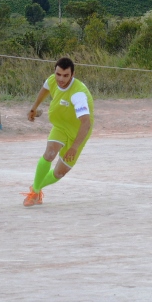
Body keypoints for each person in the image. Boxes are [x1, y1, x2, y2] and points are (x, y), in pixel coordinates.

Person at [21, 57, 93, 207]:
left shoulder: (78, 94)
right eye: (58, 74)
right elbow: (45, 89)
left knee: (59, 173)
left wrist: (74, 147)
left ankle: (37, 189)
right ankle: (34, 192)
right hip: (60, 127)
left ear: (72, 75)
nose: (61, 79)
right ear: (55, 71)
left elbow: (86, 123)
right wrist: (34, 107)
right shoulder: (52, 80)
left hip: (78, 133)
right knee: (49, 154)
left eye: (66, 75)